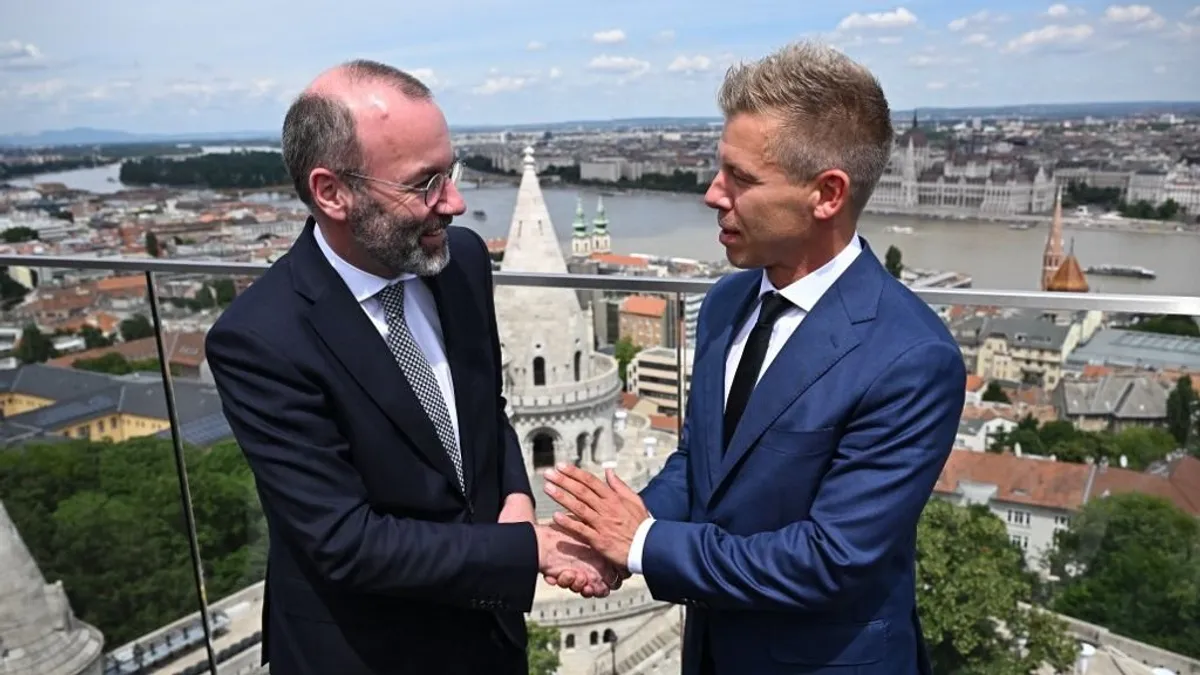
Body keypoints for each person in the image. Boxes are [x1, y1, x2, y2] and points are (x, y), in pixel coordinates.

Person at [542, 41, 967, 675]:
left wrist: (643, 543)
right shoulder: (726, 302)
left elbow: (829, 560)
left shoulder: (912, 358)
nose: (712, 195)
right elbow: (701, 467)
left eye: (740, 179)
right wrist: (613, 537)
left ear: (826, 195)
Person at [205, 60, 616, 675]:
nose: (456, 202)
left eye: (451, 172)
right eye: (425, 184)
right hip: (366, 651)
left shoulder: (461, 261)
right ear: (332, 193)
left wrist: (515, 495)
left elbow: (487, 407)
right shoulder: (260, 339)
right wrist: (525, 549)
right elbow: (346, 542)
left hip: (489, 638)